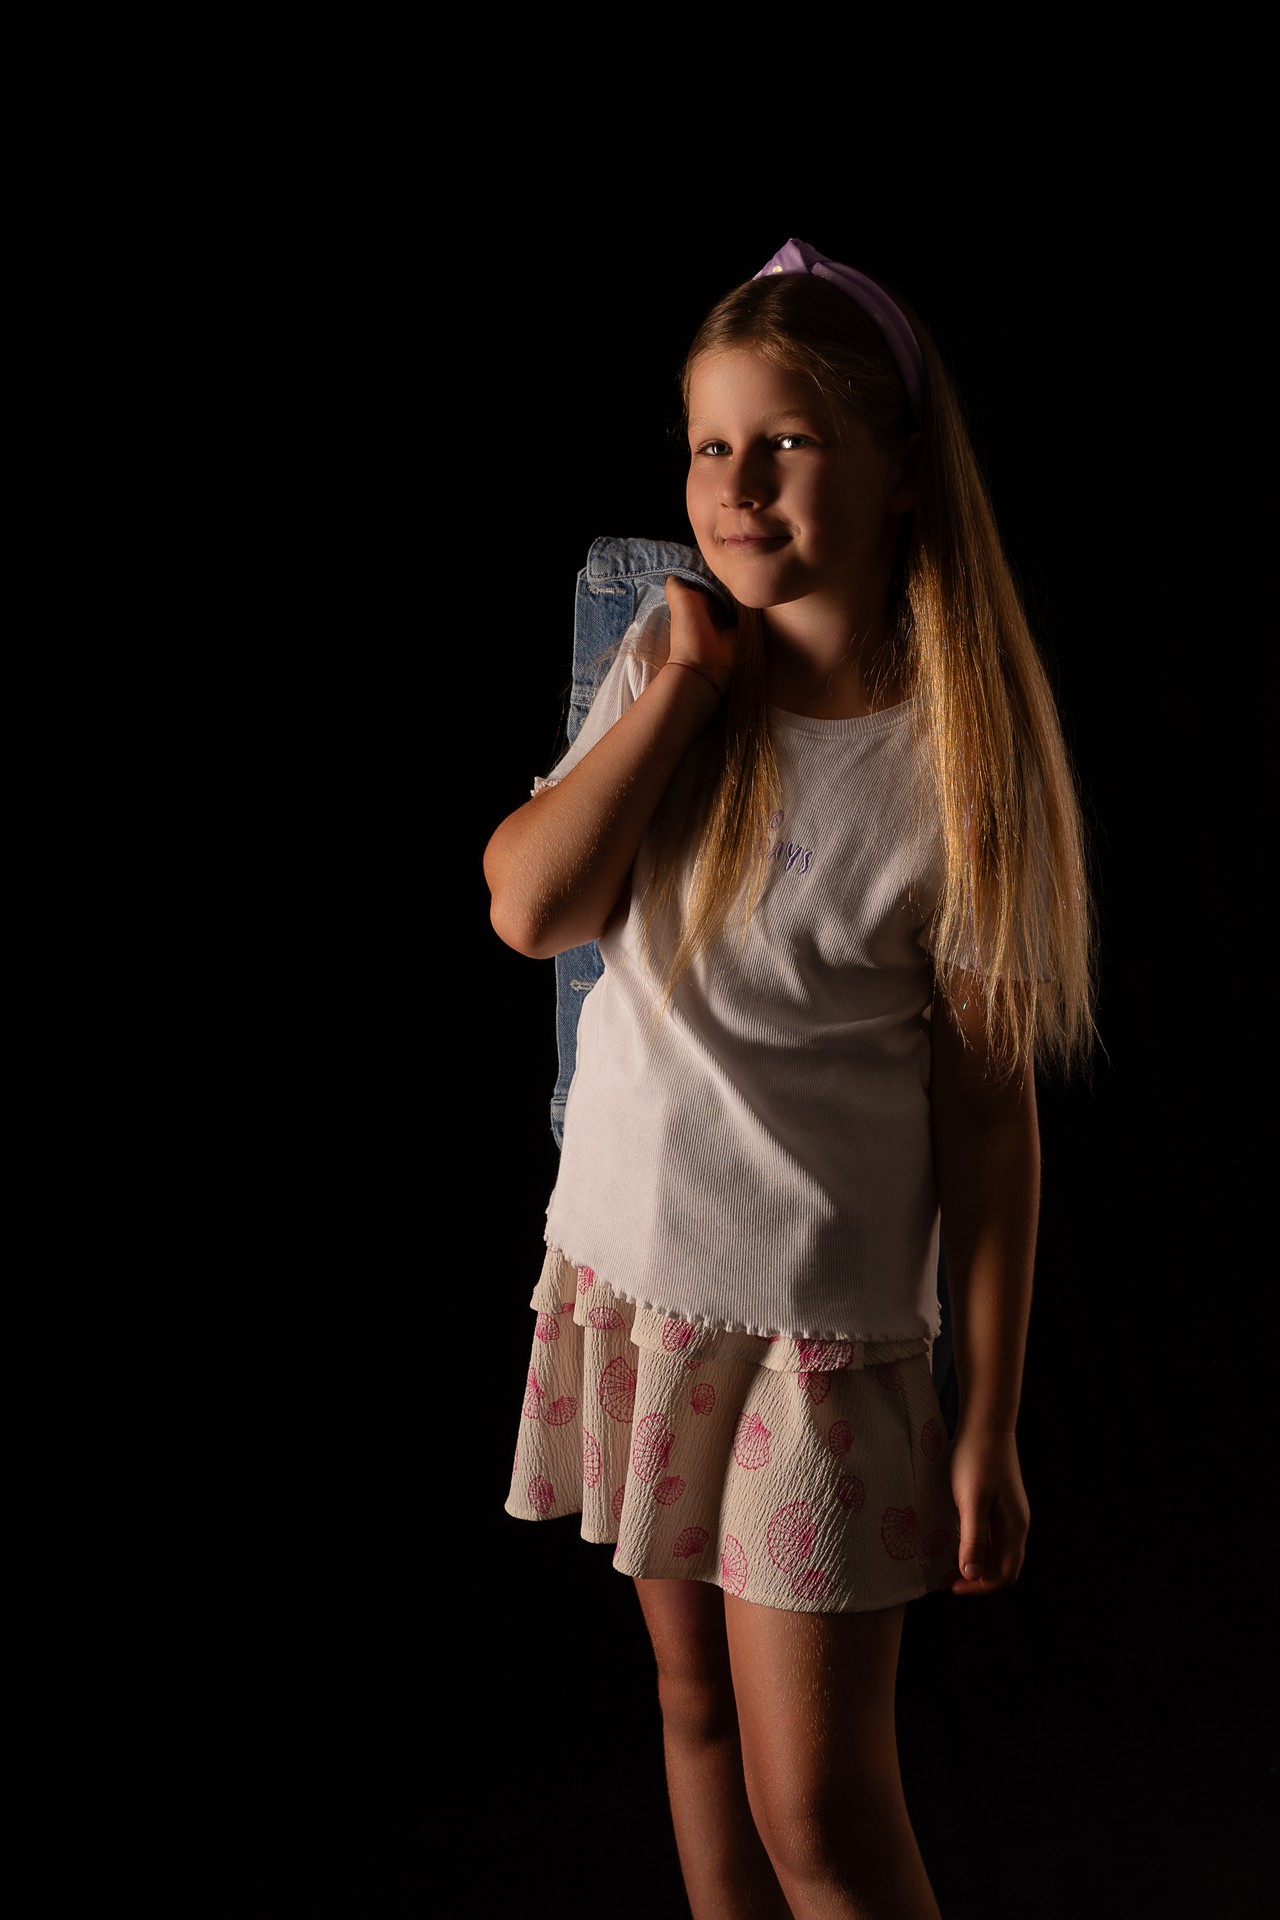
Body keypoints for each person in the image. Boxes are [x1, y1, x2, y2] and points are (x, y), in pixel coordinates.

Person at [482, 237, 1097, 1920]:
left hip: (816, 1352)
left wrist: (988, 1420)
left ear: (900, 471)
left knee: (817, 1809)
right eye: (710, 445)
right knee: (690, 1713)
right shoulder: (669, 668)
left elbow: (990, 1119)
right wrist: (683, 686)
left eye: (789, 443)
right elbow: (531, 908)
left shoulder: (956, 767)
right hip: (633, 1285)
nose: (736, 488)